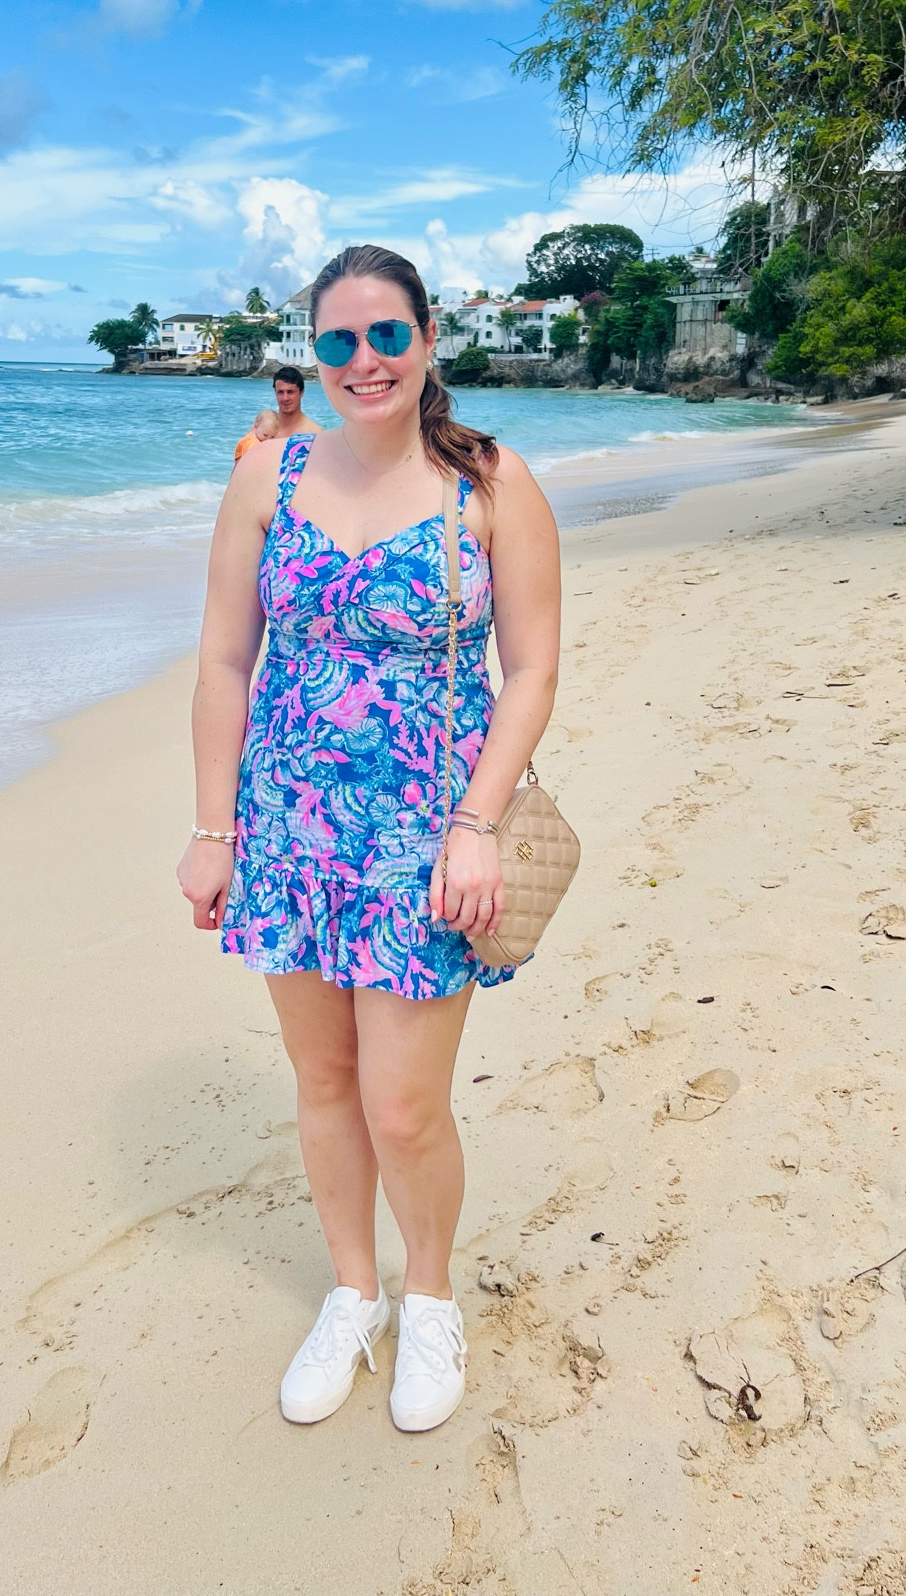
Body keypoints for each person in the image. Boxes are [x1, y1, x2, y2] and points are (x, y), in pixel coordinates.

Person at [178, 243, 561, 1436]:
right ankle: (353, 1290)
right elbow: (225, 661)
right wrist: (212, 827)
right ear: (316, 358)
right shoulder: (265, 477)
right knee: (325, 1081)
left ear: (427, 338)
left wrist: (479, 823)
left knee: (404, 1104)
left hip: (427, 837)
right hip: (288, 825)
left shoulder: (491, 482)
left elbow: (533, 669)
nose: (362, 361)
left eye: (384, 335)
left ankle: (429, 1294)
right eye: (337, 341)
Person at [272, 365, 321, 437]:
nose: (285, 398)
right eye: (280, 392)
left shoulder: (313, 433)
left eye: (290, 392)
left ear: (301, 393)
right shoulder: (264, 428)